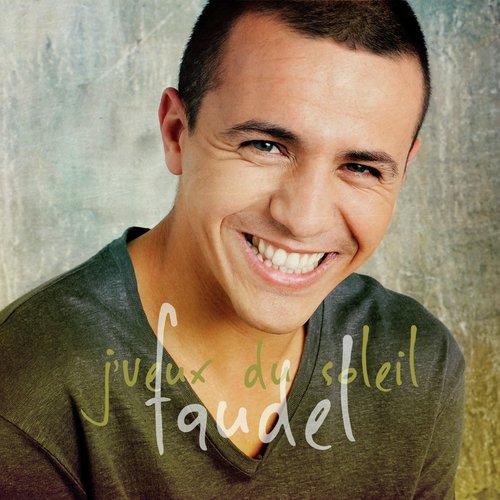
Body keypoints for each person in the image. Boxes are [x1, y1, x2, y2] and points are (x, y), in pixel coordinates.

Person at [0, 1, 465, 498]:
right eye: (265, 145)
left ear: (404, 170)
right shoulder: (28, 395)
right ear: (177, 134)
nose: (303, 219)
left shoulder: (420, 363)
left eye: (361, 168)